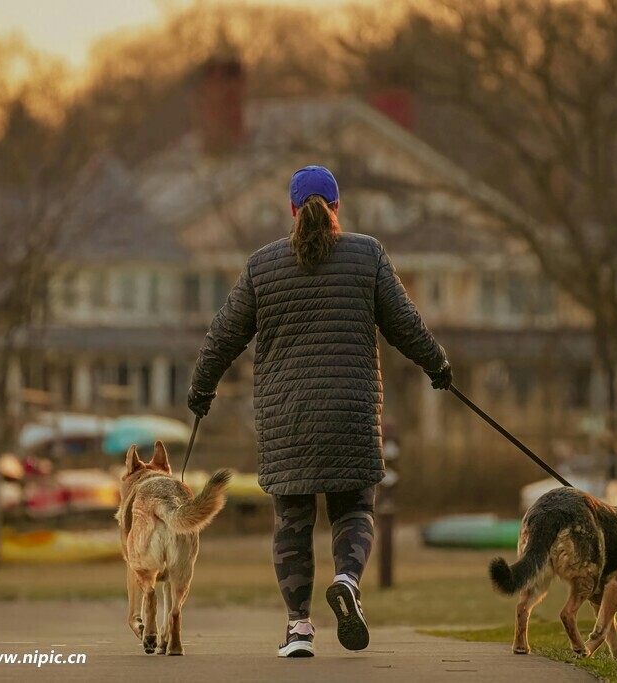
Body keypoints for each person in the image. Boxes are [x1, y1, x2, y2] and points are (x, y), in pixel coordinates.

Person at [187, 165, 452, 658]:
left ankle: (298, 629)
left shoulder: (261, 266)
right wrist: (438, 367)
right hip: (350, 413)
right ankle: (348, 581)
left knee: (292, 522)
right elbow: (405, 324)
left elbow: (223, 335)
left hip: (287, 420)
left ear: (291, 210)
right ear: (337, 207)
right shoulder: (367, 254)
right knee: (354, 508)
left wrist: (201, 392)